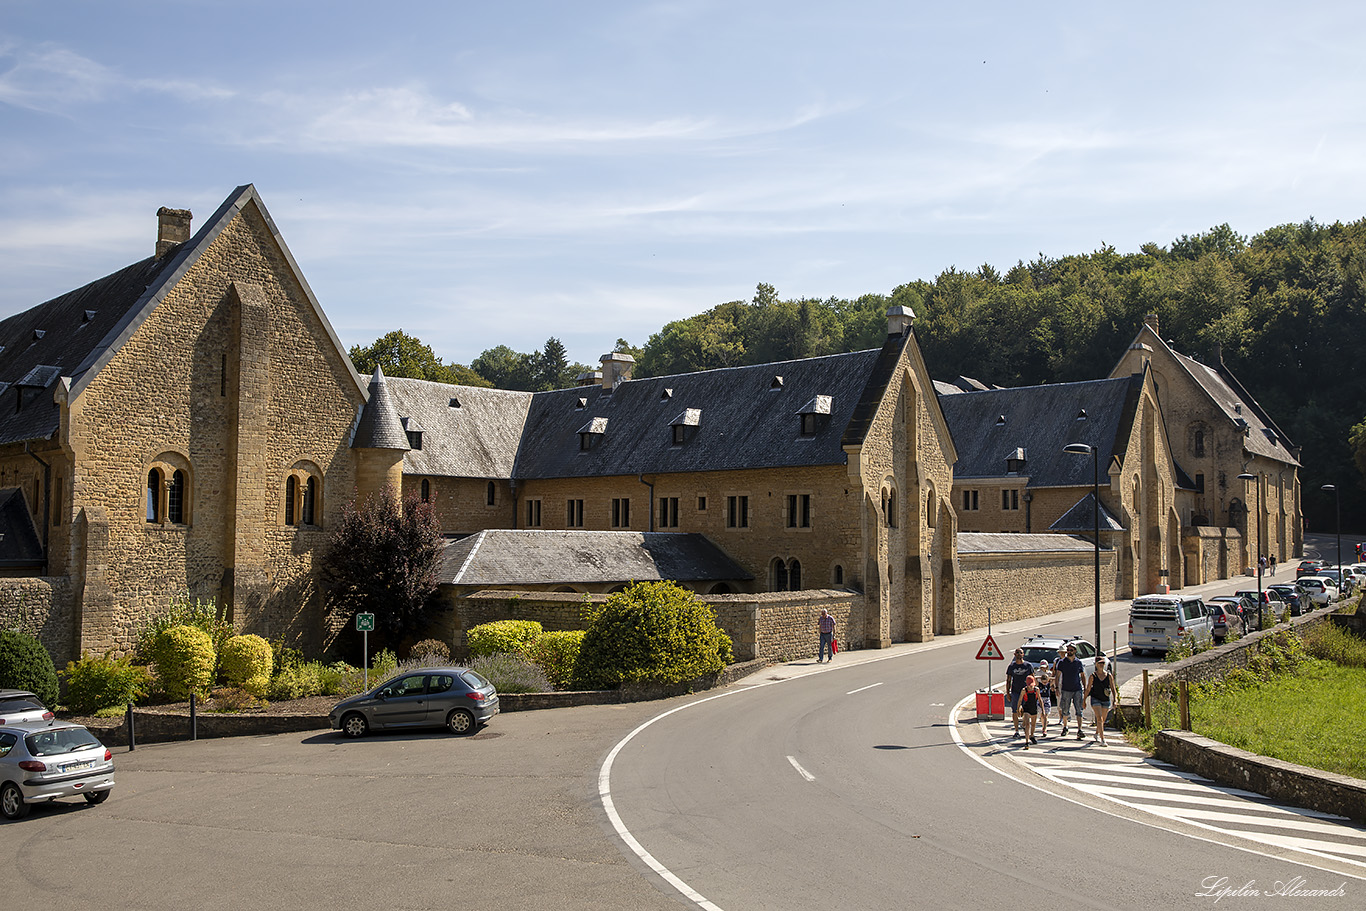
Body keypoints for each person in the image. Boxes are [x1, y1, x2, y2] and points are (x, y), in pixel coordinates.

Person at [1055, 644, 1086, 740]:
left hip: (1077, 688)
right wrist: (1056, 687)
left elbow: (1082, 675)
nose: (1069, 651)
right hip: (1066, 689)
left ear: (1075, 651)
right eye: (1068, 650)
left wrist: (1085, 688)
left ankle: (1080, 729)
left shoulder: (1078, 662)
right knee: (1065, 709)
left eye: (1071, 650)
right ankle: (1065, 727)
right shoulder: (1062, 662)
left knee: (1079, 710)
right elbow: (1058, 675)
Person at [1086, 655, 1119, 746]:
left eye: (1103, 663)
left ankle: (1097, 733)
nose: (1101, 665)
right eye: (1099, 663)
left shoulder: (1108, 676)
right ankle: (1103, 739)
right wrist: (1084, 700)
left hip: (1105, 699)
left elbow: (1113, 688)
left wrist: (1115, 699)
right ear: (1096, 664)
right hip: (1095, 699)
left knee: (1102, 720)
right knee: (1099, 718)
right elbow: (1088, 689)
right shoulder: (1093, 676)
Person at [1005, 648, 1035, 737]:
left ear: (1023, 654)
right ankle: (1016, 730)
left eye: (1020, 653)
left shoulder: (1028, 666)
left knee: (1026, 711)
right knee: (1015, 710)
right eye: (1017, 653)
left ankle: (1024, 726)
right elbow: (1008, 680)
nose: (1019, 654)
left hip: (1026, 692)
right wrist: (1008, 693)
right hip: (1015, 692)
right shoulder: (1011, 666)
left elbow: (1033, 679)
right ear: (1014, 654)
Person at [1019, 675, 1041, 748]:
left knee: (1033, 724)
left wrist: (1043, 710)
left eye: (1031, 686)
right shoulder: (1024, 690)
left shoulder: (1036, 690)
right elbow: (1020, 700)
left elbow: (1040, 700)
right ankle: (1027, 741)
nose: (1030, 687)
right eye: (1029, 686)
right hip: (1026, 708)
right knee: (1027, 724)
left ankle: (1032, 735)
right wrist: (1018, 708)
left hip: (1034, 708)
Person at [1035, 660, 1053, 737]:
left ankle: (1044, 729)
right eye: (1043, 682)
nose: (1044, 683)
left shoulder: (1048, 685)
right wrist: (1040, 677)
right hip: (1040, 699)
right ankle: (1043, 726)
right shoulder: (1039, 685)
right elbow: (1034, 678)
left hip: (1047, 699)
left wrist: (1048, 678)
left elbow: (1053, 680)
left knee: (1045, 715)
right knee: (1042, 715)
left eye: (1045, 682)